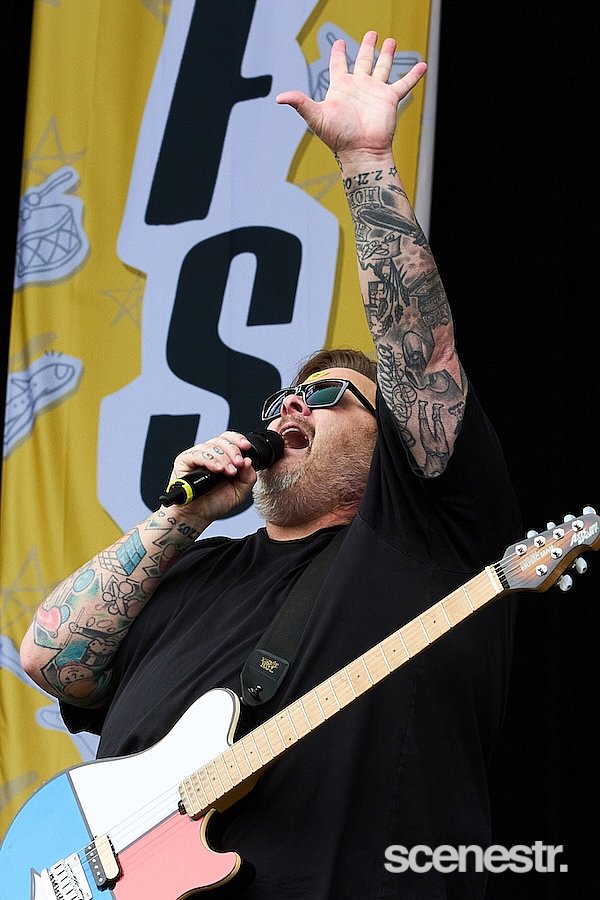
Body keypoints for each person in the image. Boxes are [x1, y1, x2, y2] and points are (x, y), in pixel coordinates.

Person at [20, 32, 521, 898]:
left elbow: (418, 353)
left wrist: (364, 160)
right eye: (284, 398)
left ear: (394, 440)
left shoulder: (424, 538)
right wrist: (178, 519)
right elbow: (51, 661)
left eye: (326, 397)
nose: (291, 406)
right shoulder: (193, 569)